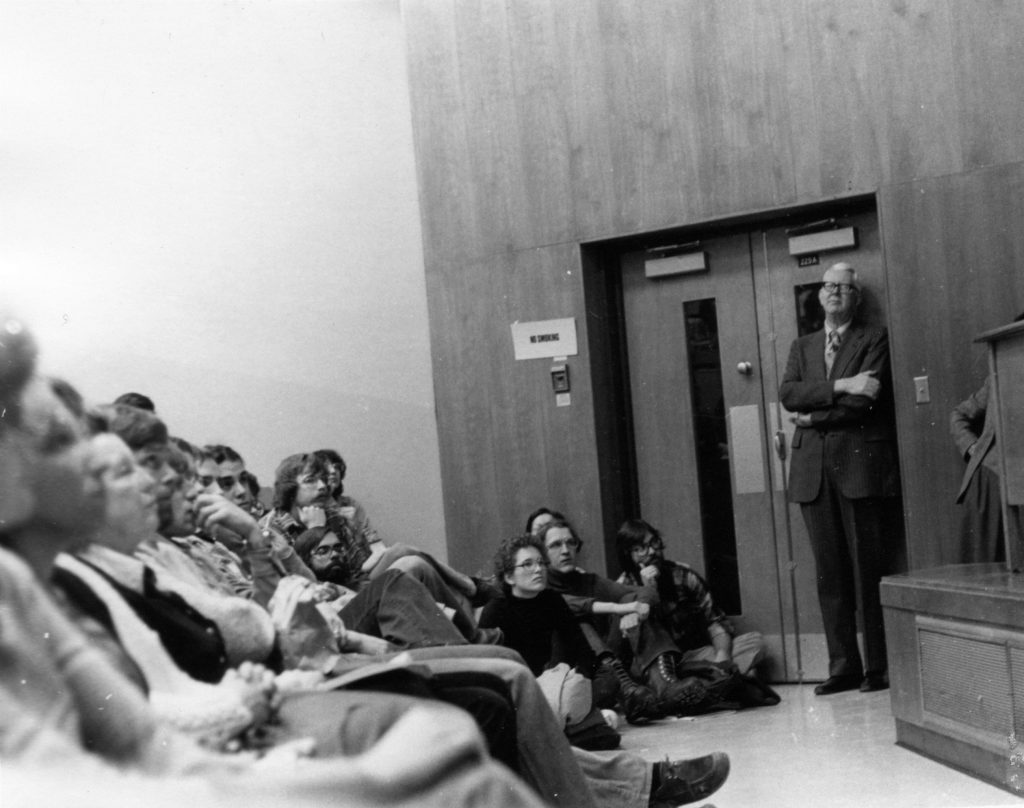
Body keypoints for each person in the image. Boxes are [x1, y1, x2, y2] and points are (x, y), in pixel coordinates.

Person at [779, 262, 900, 696]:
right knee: (829, 574)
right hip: (812, 472)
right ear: (819, 295)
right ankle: (843, 667)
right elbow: (788, 393)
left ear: (856, 298)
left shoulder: (874, 338)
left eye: (844, 288)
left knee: (867, 569)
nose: (834, 292)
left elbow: (866, 402)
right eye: (829, 286)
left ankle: (878, 668)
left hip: (858, 467)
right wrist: (843, 385)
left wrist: (813, 417)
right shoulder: (802, 345)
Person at [539, 519, 701, 719]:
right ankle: (628, 691)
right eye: (556, 545)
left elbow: (645, 593)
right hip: (572, 679)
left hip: (610, 670)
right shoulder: (541, 589)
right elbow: (573, 606)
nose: (565, 550)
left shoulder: (590, 581)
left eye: (570, 543)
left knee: (631, 602)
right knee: (578, 621)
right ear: (543, 554)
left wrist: (634, 610)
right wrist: (623, 607)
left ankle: (665, 686)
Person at [615, 518, 766, 676]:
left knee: (755, 642)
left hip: (692, 657)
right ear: (628, 555)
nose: (652, 551)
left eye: (654, 542)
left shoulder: (683, 576)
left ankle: (712, 676)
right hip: (654, 664)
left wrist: (723, 659)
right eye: (640, 549)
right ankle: (721, 678)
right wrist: (649, 591)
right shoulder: (621, 589)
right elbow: (631, 646)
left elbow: (714, 622)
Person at [951, 376, 1005, 564]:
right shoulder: (999, 373)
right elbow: (959, 415)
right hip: (991, 483)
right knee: (983, 566)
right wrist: (973, 447)